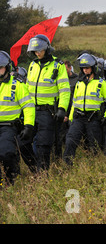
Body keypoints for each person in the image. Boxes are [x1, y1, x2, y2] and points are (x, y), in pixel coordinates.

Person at [26, 34, 70, 171]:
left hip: (47, 112)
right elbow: (26, 88)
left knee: (43, 146)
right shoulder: (32, 65)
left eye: (40, 50)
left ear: (47, 49)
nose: (37, 53)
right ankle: (35, 169)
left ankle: (43, 175)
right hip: (31, 111)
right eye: (35, 51)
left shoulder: (58, 65)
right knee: (23, 143)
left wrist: (62, 108)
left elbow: (64, 90)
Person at [63, 53, 106, 166]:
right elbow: (75, 102)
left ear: (93, 68)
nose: (85, 70)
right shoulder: (79, 83)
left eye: (87, 68)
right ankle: (67, 166)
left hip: (92, 119)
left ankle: (96, 168)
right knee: (70, 141)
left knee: (95, 146)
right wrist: (71, 118)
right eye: (83, 68)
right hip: (78, 118)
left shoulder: (101, 83)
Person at [0, 51, 35, 186]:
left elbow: (28, 106)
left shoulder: (17, 85)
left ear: (7, 68)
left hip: (9, 127)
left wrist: (29, 126)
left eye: (0, 67)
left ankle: (11, 180)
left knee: (5, 152)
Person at [54, 60, 79, 158]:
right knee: (59, 136)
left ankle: (70, 156)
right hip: (61, 111)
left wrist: (70, 115)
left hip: (73, 111)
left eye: (65, 69)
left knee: (71, 136)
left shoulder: (76, 79)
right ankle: (58, 157)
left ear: (69, 68)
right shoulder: (58, 79)